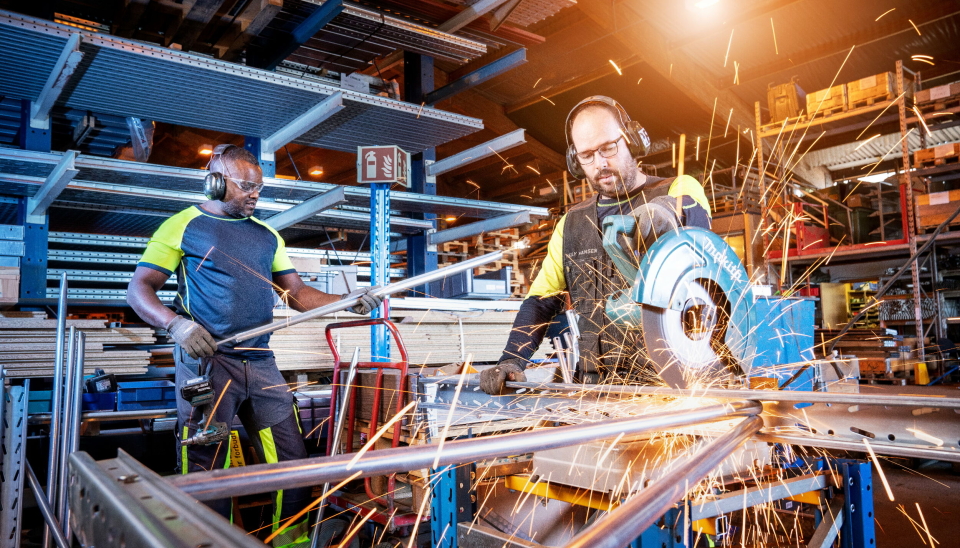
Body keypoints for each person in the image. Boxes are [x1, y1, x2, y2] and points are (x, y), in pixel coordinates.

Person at [127, 144, 382, 546]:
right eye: (246, 186)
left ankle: (290, 541)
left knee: (293, 460)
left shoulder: (267, 236)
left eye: (259, 188)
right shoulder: (182, 225)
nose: (254, 195)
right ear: (215, 180)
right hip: (209, 363)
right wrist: (175, 326)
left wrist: (348, 302)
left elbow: (296, 293)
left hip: (260, 360)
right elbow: (139, 288)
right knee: (207, 464)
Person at [480, 96, 712, 395]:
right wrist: (512, 360)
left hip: (674, 382)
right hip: (597, 385)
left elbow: (689, 231)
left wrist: (659, 214)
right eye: (587, 155)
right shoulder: (572, 224)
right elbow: (541, 300)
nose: (600, 163)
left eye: (608, 148)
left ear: (632, 140)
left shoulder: (678, 188)